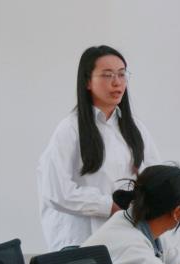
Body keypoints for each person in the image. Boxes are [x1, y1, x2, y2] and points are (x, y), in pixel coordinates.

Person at [37, 45, 160, 251]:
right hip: (80, 243)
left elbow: (154, 176)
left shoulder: (135, 128)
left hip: (125, 240)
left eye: (122, 74)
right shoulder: (70, 129)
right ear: (87, 81)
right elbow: (56, 191)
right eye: (107, 75)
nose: (117, 82)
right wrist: (109, 206)